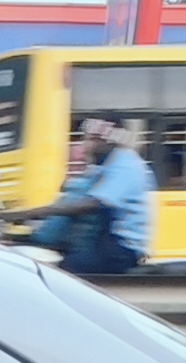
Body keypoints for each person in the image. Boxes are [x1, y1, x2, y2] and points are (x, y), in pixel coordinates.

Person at [19, 116, 154, 279]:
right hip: (102, 240)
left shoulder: (126, 165)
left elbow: (90, 204)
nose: (88, 145)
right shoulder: (103, 166)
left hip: (121, 246)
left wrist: (30, 213)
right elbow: (74, 199)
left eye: (94, 139)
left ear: (110, 140)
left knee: (67, 273)